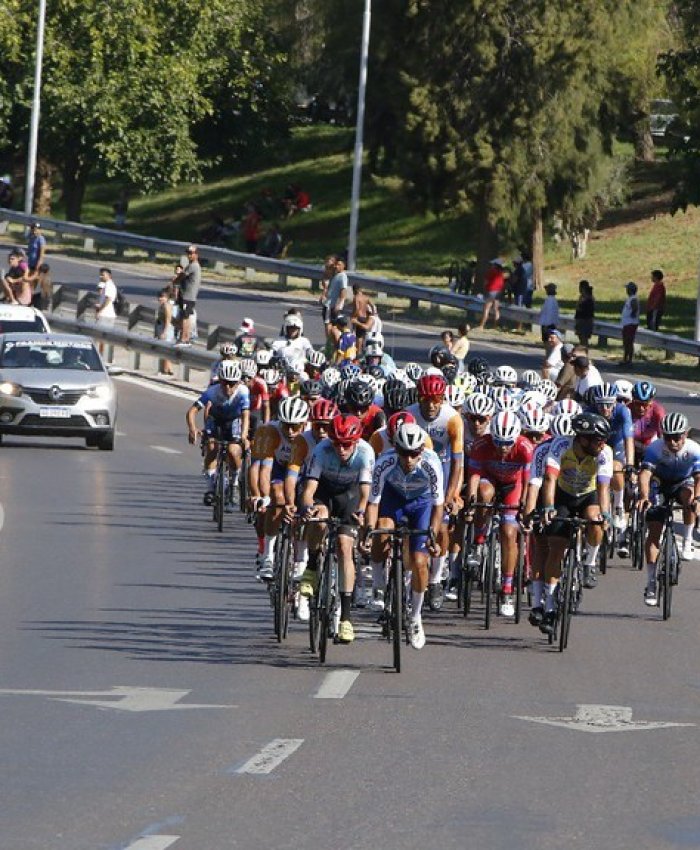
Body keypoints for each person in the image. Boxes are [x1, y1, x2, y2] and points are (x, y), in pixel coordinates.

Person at [363, 423, 443, 649]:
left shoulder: (431, 464)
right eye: (403, 453)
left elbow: (438, 506)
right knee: (381, 529)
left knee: (419, 561)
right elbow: (372, 502)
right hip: (393, 499)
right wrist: (369, 532)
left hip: (421, 504)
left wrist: (433, 537)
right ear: (395, 449)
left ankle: (416, 616)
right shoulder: (384, 463)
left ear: (421, 450)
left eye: (414, 453)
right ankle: (379, 586)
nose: (408, 459)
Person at [298, 414, 375, 644]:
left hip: (349, 495)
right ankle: (312, 565)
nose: (341, 449)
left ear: (356, 441)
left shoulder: (365, 452)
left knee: (344, 546)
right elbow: (309, 490)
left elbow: (364, 494)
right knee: (319, 520)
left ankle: (347, 618)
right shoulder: (321, 450)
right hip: (325, 491)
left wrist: (361, 511)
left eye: (346, 444)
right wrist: (309, 507)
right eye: (337, 443)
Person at [537, 413, 613, 632]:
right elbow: (550, 478)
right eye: (598, 440)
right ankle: (550, 608)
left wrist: (606, 515)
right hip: (562, 496)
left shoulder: (604, 453)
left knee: (595, 522)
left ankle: (589, 562)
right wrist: (549, 508)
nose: (602, 444)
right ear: (583, 439)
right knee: (556, 549)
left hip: (588, 496)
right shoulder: (561, 446)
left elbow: (604, 487)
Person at [637, 413, 700, 604]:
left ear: (686, 434)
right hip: (660, 483)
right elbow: (646, 474)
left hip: (684, 482)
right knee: (654, 530)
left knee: (690, 498)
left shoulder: (694, 449)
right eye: (667, 437)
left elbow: (699, 478)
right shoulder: (655, 448)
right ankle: (651, 583)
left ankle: (687, 539)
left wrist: (698, 498)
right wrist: (644, 496)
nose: (672, 442)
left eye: (677, 437)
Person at [186, 360, 250, 507]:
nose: (228, 387)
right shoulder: (212, 392)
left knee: (234, 451)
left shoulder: (243, 392)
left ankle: (234, 484)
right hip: (216, 420)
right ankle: (210, 488)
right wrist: (192, 429)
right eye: (225, 383)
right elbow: (192, 411)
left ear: (238, 382)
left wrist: (244, 436)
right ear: (220, 381)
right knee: (212, 448)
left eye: (232, 383)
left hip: (233, 421)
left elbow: (245, 415)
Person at [176, 245, 201, 346]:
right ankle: (185, 338)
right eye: (188, 253)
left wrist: (175, 280)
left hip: (188, 296)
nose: (189, 255)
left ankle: (184, 338)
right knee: (185, 316)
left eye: (191, 253)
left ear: (196, 254)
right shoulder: (191, 265)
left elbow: (182, 276)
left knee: (185, 317)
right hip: (187, 296)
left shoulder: (193, 266)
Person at [321, 256, 349, 337]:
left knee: (329, 324)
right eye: (336, 264)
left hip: (332, 305)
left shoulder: (342, 276)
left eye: (339, 265)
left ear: (344, 266)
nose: (337, 266)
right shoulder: (335, 275)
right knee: (331, 324)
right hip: (328, 303)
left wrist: (340, 303)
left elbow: (343, 290)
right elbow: (325, 277)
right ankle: (331, 343)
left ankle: (329, 343)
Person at [95, 267, 118, 353]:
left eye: (102, 275)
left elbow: (108, 300)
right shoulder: (108, 285)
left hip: (105, 315)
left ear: (109, 275)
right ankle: (103, 355)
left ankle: (101, 356)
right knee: (103, 338)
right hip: (108, 314)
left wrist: (100, 311)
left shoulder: (109, 285)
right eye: (100, 275)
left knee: (100, 338)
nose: (101, 276)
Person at [478, 259, 505, 330]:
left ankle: (482, 325)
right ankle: (495, 326)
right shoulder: (501, 272)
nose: (491, 265)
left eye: (492, 264)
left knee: (486, 308)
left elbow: (486, 281)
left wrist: (484, 288)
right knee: (496, 309)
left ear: (495, 265)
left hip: (491, 291)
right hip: (499, 291)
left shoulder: (491, 271)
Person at [155, 287, 175, 376]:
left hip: (166, 329)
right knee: (164, 350)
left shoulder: (167, 306)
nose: (160, 299)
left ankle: (167, 370)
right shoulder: (162, 305)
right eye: (159, 297)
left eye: (162, 297)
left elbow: (168, 320)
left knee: (165, 350)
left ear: (167, 298)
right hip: (161, 327)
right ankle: (167, 369)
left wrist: (165, 332)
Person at [620, 281, 640, 365]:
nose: (626, 290)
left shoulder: (633, 299)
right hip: (627, 323)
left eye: (627, 289)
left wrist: (633, 314)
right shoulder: (630, 298)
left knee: (629, 342)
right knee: (626, 342)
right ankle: (625, 358)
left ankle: (629, 360)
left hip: (631, 323)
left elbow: (634, 308)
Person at [574, 280, 595, 346]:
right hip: (581, 320)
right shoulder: (583, 297)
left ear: (583, 288)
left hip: (585, 321)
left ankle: (584, 352)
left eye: (580, 287)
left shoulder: (588, 298)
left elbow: (580, 308)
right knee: (582, 339)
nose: (579, 289)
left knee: (584, 340)